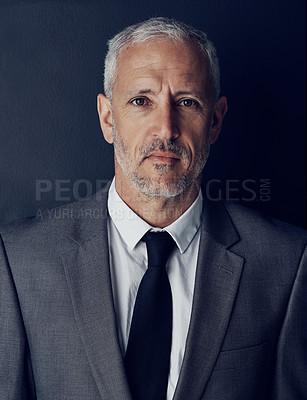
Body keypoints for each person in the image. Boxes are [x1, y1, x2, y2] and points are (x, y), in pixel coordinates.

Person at [0, 17, 306, 400]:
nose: (166, 128)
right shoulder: (19, 260)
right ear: (108, 118)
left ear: (215, 121)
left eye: (187, 102)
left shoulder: (287, 262)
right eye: (141, 101)